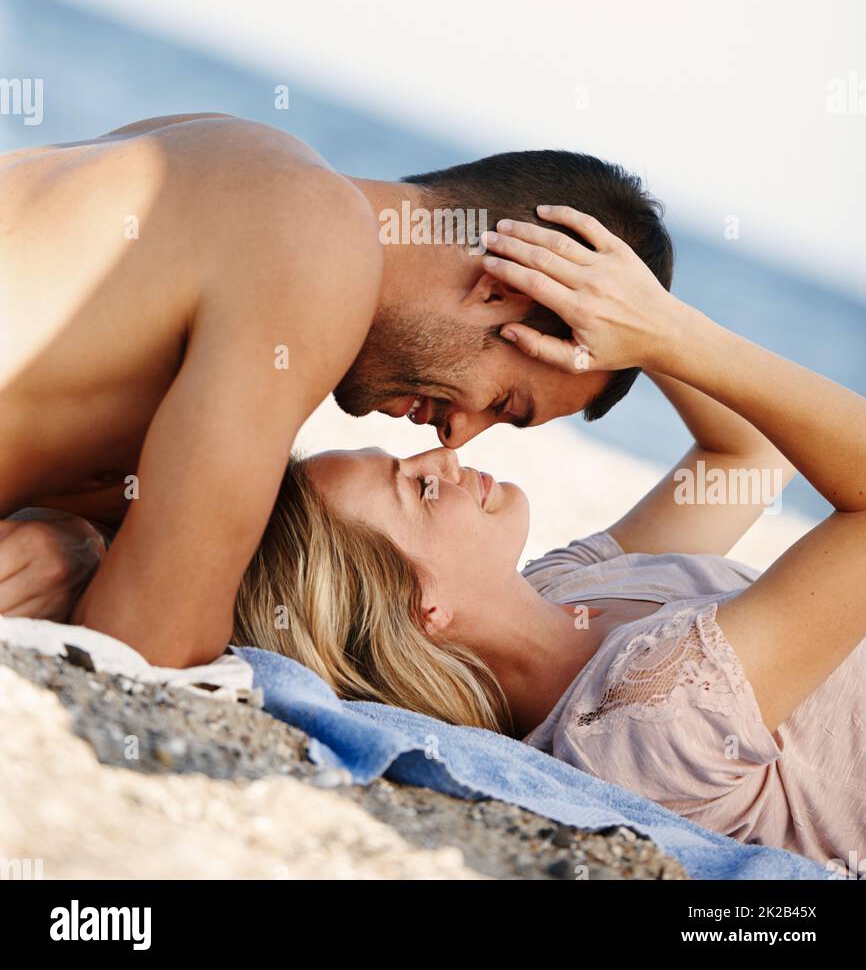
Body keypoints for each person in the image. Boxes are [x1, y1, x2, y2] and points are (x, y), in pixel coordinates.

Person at [231, 208, 866, 867]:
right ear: (425, 610)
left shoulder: (566, 590)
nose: (440, 458)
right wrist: (674, 336)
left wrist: (624, 319)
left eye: (408, 460)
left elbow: (745, 459)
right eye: (417, 489)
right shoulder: (649, 711)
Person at [0, 114, 671, 663]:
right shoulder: (318, 242)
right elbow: (148, 641)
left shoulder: (224, 152)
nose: (457, 437)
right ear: (499, 287)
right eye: (501, 403)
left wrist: (76, 541)